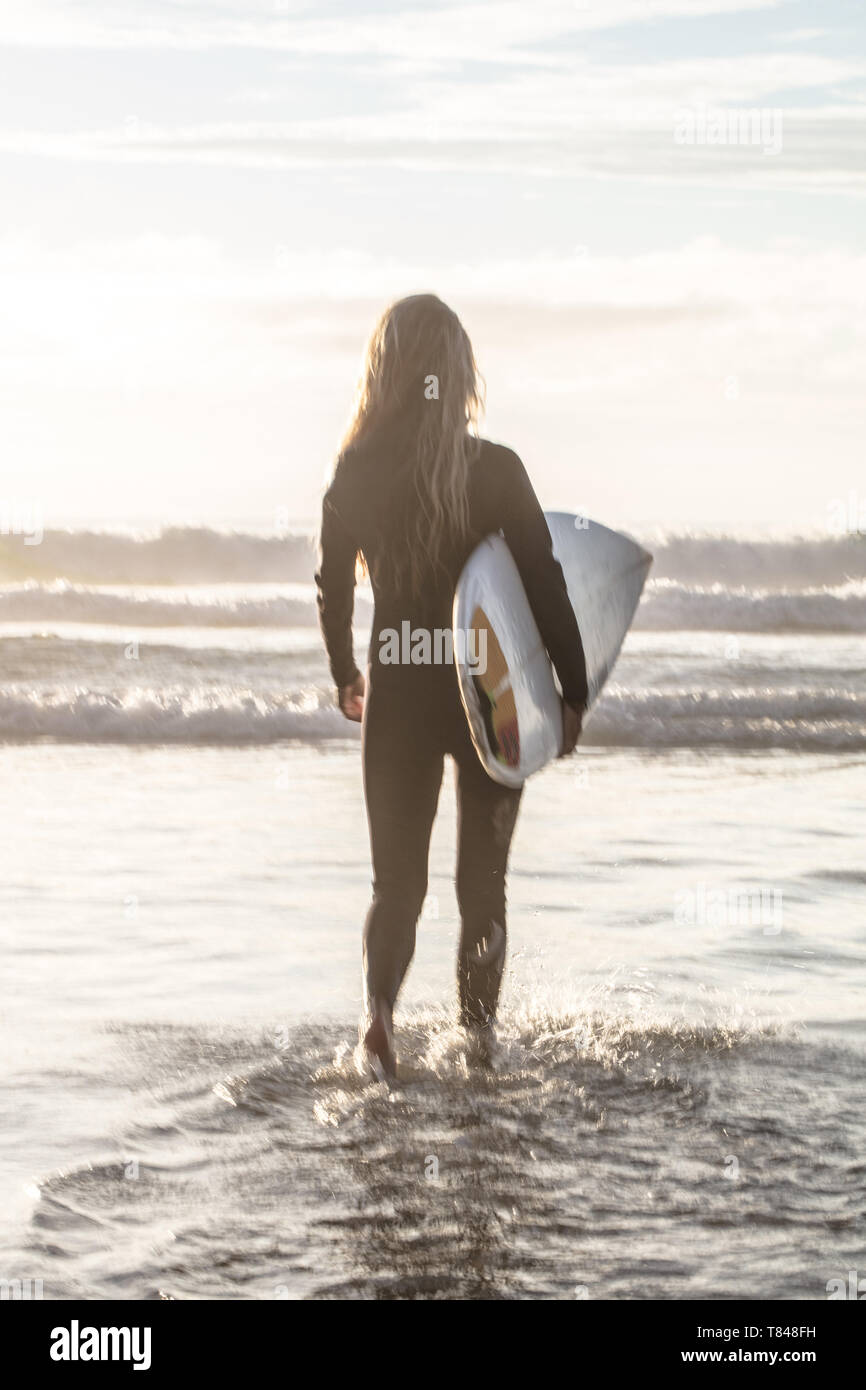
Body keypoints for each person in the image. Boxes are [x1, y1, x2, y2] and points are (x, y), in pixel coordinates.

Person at [315, 294, 587, 1077]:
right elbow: (544, 582)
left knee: (395, 883)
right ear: (458, 372)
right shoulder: (496, 470)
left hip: (399, 687)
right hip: (490, 694)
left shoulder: (357, 471)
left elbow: (333, 582)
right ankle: (475, 1044)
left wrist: (346, 672)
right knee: (483, 887)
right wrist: (571, 693)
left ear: (384, 371)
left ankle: (379, 1023)